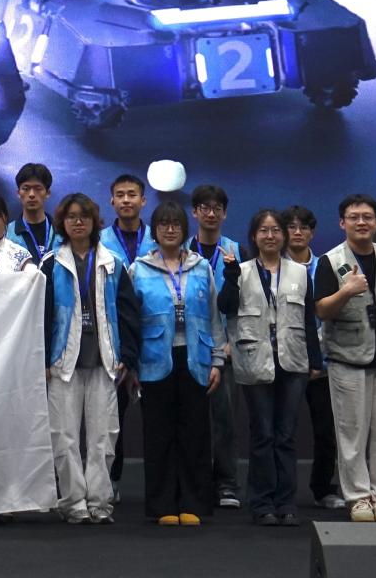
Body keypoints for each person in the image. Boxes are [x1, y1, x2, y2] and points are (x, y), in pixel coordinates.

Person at [39, 193, 140, 524]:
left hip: (104, 361)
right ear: (63, 223)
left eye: (84, 216)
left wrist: (128, 356)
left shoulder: (112, 262)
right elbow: (42, 315)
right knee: (63, 436)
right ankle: (73, 503)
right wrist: (43, 358)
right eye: (71, 217)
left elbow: (128, 313)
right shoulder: (51, 263)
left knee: (103, 437)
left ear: (95, 222)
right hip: (63, 362)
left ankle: (99, 502)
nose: (78, 222)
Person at [130, 201, 226, 526]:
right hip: (154, 360)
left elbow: (214, 316)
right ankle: (162, 505)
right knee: (158, 435)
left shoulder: (201, 267)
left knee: (195, 433)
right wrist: (133, 364)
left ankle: (193, 503)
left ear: (185, 229)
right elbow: (131, 322)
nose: (170, 229)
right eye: (163, 224)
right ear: (154, 231)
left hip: (196, 358)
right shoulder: (139, 269)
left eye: (175, 224)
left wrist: (217, 361)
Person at [313, 194, 376, 523]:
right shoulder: (330, 260)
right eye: (354, 217)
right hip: (347, 358)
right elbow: (322, 310)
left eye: (367, 217)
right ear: (342, 223)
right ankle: (358, 497)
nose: (361, 222)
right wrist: (346, 291)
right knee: (351, 433)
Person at [232, 208, 313, 527]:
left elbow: (309, 318)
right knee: (263, 434)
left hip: (293, 361)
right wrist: (229, 280)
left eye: (276, 230)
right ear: (254, 236)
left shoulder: (300, 272)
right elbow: (225, 308)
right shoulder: (241, 271)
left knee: (286, 435)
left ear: (284, 235)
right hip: (255, 358)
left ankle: (287, 502)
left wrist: (315, 361)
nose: (270, 236)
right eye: (263, 230)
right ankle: (262, 503)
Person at [281, 204, 342, 509]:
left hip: (324, 361)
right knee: (283, 430)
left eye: (303, 227)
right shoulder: (273, 267)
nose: (297, 232)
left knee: (326, 430)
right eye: (291, 227)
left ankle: (323, 489)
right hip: (285, 360)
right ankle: (281, 491)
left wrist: (318, 356)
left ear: (312, 232)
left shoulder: (327, 266)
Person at [188, 184, 244, 511]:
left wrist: (232, 344)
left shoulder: (237, 251)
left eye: (217, 208)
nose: (210, 213)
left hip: (227, 349)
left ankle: (226, 483)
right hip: (191, 347)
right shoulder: (182, 250)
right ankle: (196, 481)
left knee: (225, 420)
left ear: (224, 213)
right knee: (192, 419)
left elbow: (246, 302)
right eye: (204, 208)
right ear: (194, 212)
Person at [101, 172, 150, 489]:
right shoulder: (99, 241)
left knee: (157, 418)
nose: (126, 200)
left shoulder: (159, 238)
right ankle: (111, 480)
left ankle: (159, 485)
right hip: (115, 340)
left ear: (143, 200)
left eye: (132, 194)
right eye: (120, 195)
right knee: (112, 418)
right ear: (112, 200)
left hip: (155, 339)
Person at [13, 163, 56, 263]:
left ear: (48, 193)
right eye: (26, 189)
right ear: (18, 193)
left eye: (38, 189)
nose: (31, 194)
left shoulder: (60, 232)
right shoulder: (8, 233)